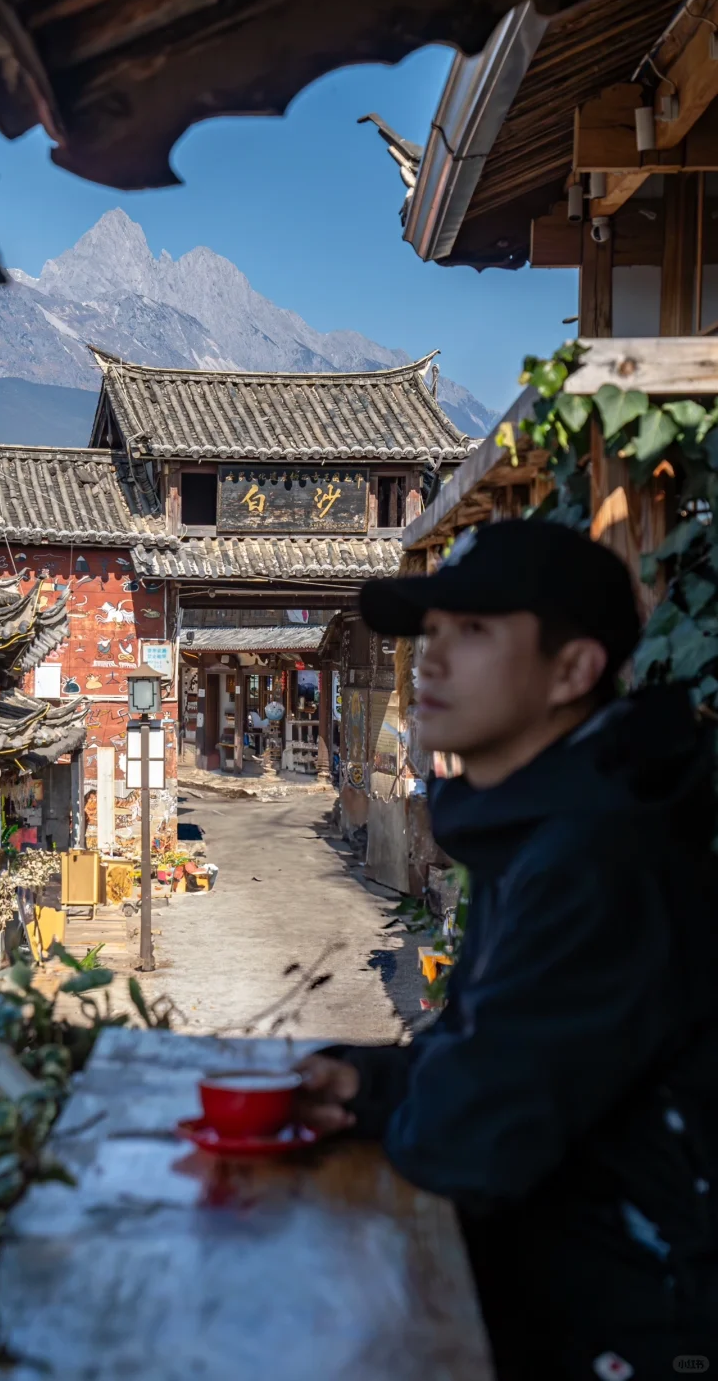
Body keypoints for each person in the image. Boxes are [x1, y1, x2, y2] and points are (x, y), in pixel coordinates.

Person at [297, 520, 718, 1381]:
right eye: (434, 631)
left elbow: (469, 1136)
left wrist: (412, 1098)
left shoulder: (596, 858)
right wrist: (370, 1081)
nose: (431, 662)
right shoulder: (547, 824)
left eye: (476, 631)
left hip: (646, 1325)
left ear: (573, 669)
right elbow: (495, 1056)